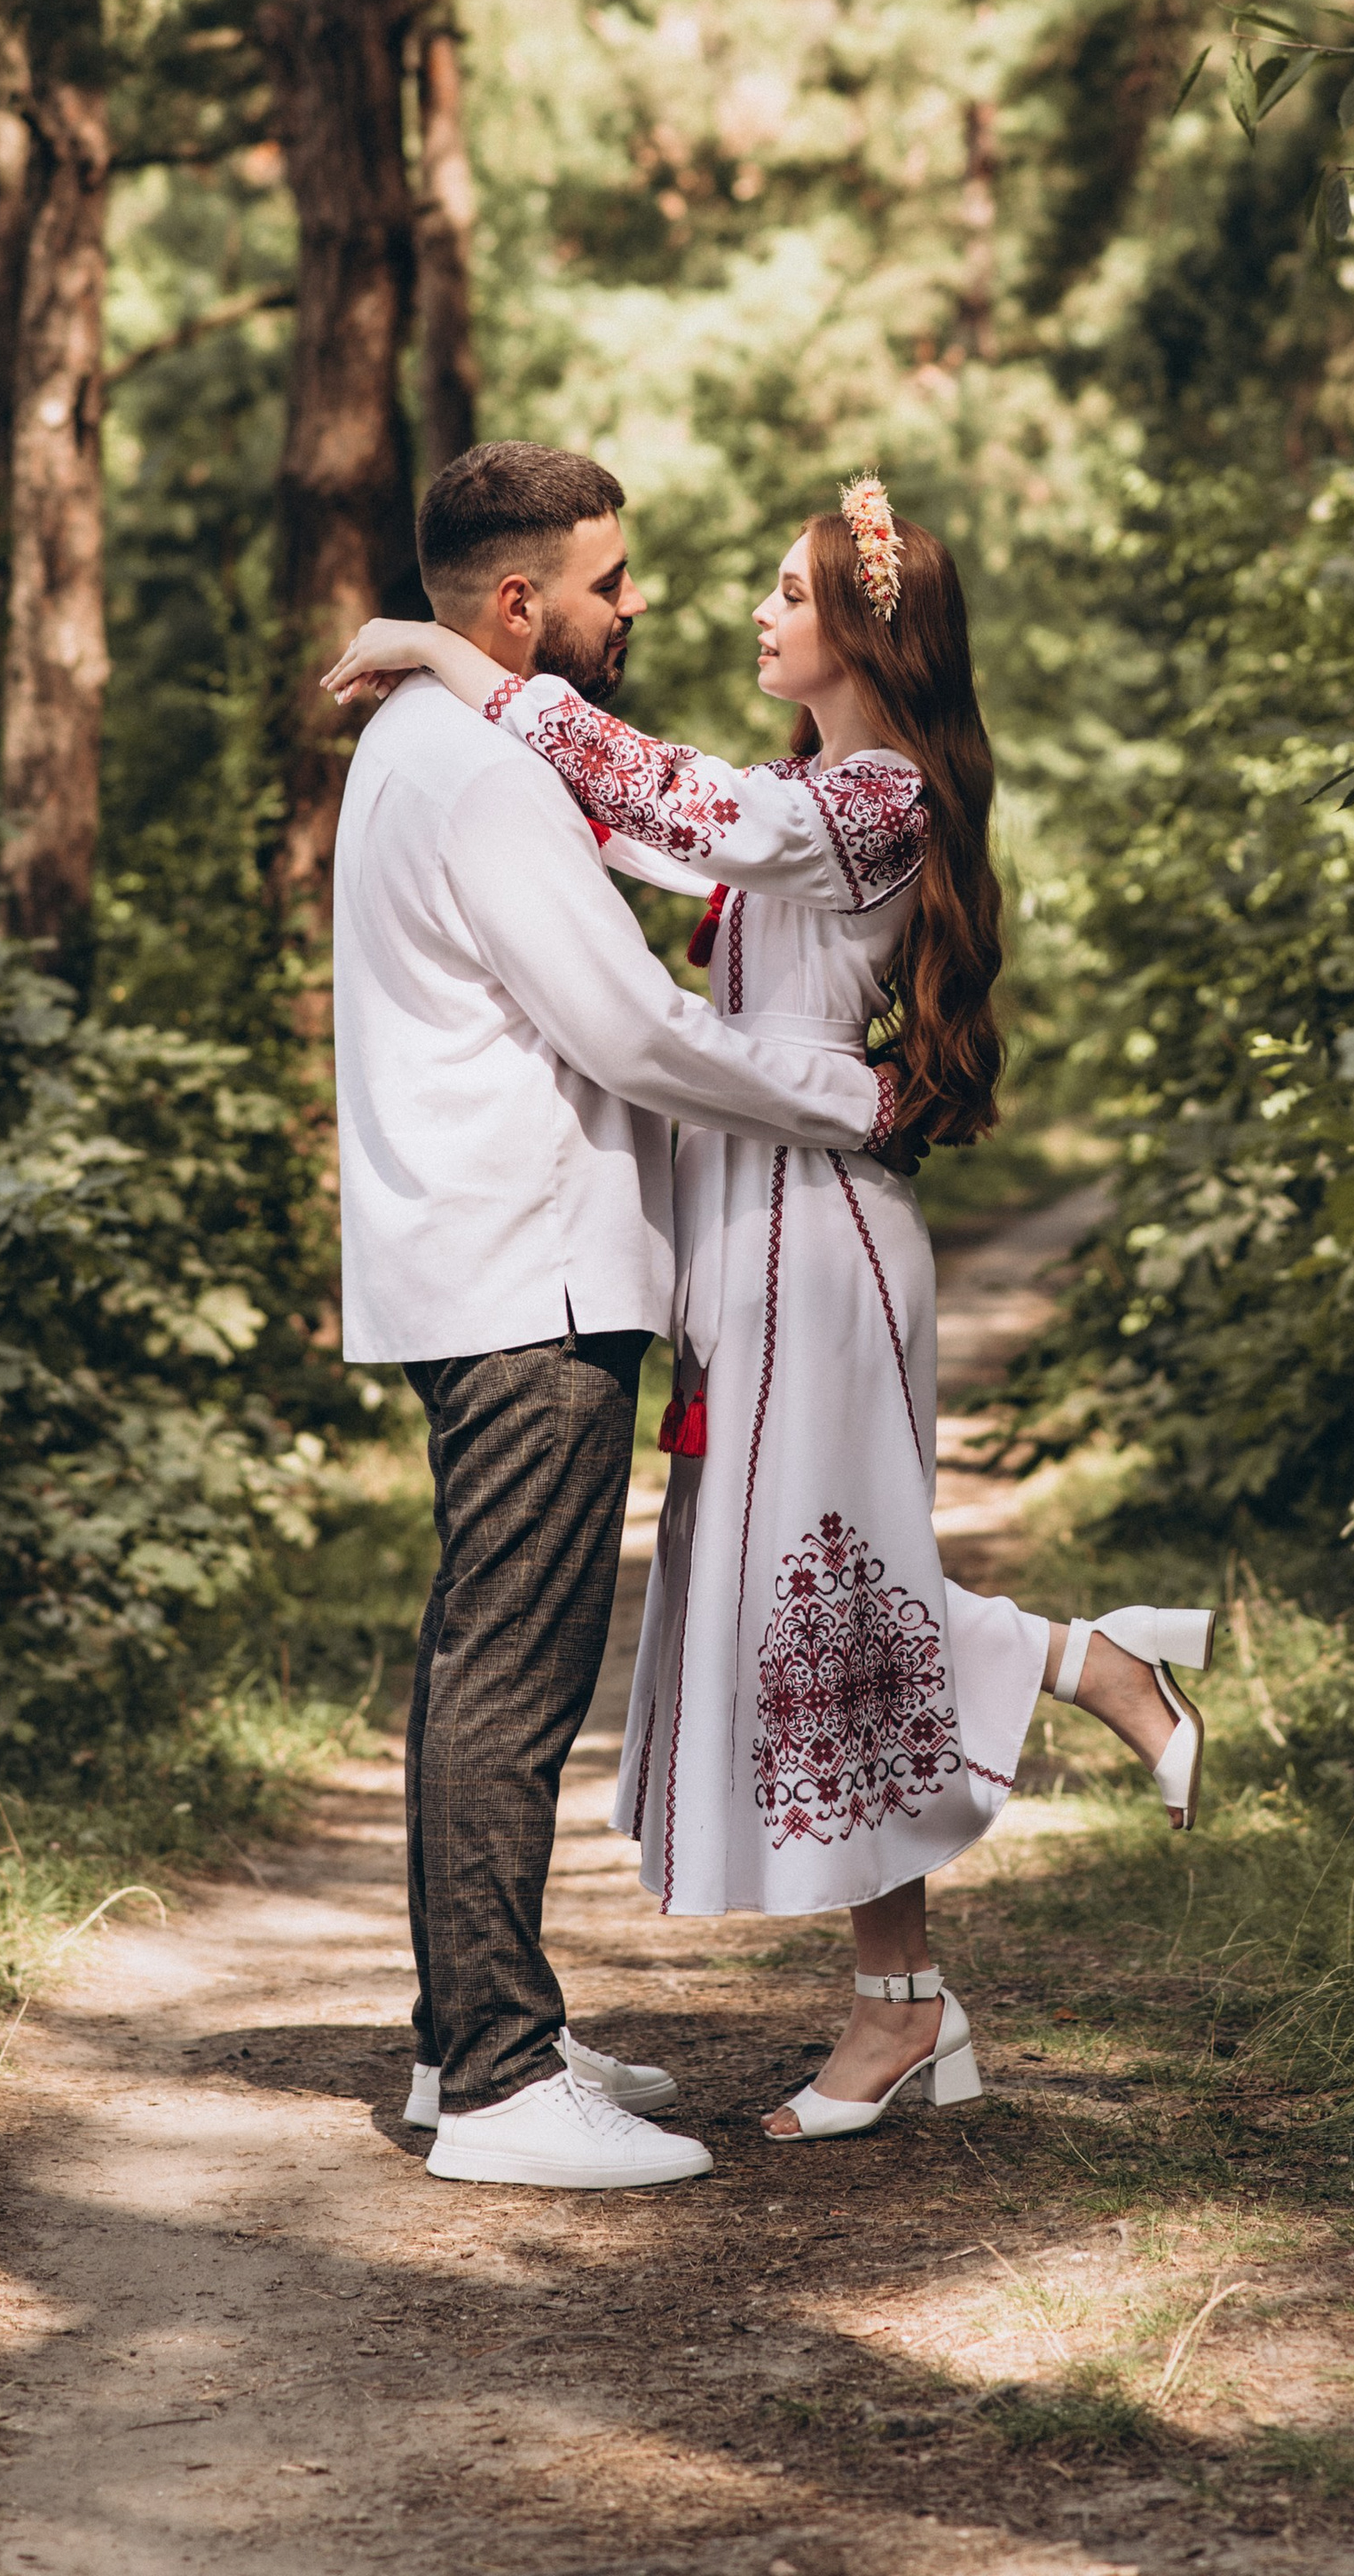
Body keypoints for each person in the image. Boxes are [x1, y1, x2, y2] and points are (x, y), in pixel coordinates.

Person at [328, 477, 1216, 2145]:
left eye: (788, 591)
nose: (747, 609)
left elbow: (657, 794)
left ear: (865, 631)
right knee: (791, 1600)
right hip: (754, 1210)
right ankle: (917, 1981)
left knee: (819, 1598)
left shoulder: (878, 798)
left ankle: (1078, 1699)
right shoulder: (807, 786)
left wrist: (446, 660)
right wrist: (465, 687)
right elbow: (637, 822)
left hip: (820, 1210)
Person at [331, 443, 899, 2194]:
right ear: (522, 603)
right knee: (509, 1669)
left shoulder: (427, 742)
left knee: (493, 1650)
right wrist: (851, 1103)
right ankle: (500, 2086)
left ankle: (473, 2034)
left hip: (490, 1255)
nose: (636, 603)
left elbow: (680, 847)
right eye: (610, 577)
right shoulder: (480, 770)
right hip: (527, 1270)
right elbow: (634, 1032)